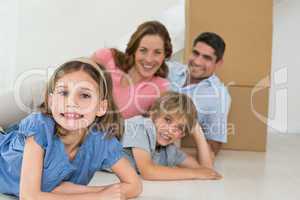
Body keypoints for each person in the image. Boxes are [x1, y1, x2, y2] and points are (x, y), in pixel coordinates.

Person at [0, 58, 142, 199]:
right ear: (51, 101)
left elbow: (135, 185)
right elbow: (29, 196)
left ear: (101, 107)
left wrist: (98, 192)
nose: (71, 103)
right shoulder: (40, 127)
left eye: (84, 95)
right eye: (64, 93)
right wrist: (97, 196)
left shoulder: (101, 141)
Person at [121, 91, 222, 180]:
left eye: (179, 128)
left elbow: (207, 171)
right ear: (153, 115)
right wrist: (194, 173)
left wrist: (197, 131)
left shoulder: (169, 150)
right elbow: (148, 171)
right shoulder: (139, 127)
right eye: (167, 120)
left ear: (182, 135)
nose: (170, 130)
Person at [167, 32, 231, 158]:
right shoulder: (170, 69)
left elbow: (212, 149)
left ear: (218, 63)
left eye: (206, 58)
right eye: (195, 53)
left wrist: (174, 158)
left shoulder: (218, 97)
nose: (197, 61)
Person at [92, 21, 172, 119]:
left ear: (165, 55)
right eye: (143, 50)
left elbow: (165, 123)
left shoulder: (160, 87)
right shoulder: (106, 57)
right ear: (134, 50)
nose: (149, 59)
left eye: (157, 52)